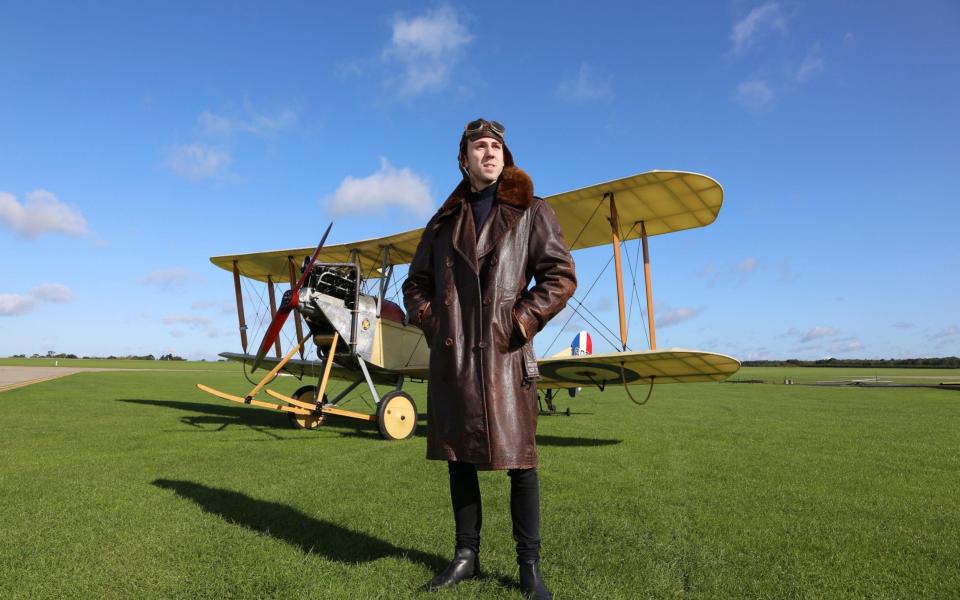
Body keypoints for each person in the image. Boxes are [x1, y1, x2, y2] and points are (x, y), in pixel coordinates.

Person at [402, 119, 576, 599]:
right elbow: (415, 284)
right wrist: (437, 322)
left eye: (496, 146)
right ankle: (466, 556)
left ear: (506, 156)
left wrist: (518, 322)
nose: (489, 153)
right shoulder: (442, 224)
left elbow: (559, 276)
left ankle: (529, 566)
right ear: (464, 159)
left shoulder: (531, 211)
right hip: (455, 358)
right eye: (480, 146)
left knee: (521, 462)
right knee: (459, 459)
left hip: (506, 356)